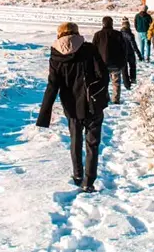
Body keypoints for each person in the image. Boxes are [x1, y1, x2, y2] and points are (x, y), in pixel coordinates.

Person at [37, 22, 109, 193]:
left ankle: (77, 174)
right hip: (92, 104)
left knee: (75, 140)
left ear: (59, 35)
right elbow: (103, 75)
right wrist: (96, 92)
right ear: (77, 33)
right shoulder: (90, 49)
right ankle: (88, 182)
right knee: (92, 143)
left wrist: (44, 113)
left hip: (71, 106)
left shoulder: (56, 55)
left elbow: (53, 85)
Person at [92, 17, 128, 104]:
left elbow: (93, 49)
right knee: (116, 82)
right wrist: (123, 61)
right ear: (112, 23)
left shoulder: (98, 35)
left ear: (103, 23)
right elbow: (124, 49)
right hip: (116, 63)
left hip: (102, 63)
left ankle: (105, 98)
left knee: (104, 82)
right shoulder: (118, 34)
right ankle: (116, 99)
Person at [119, 17, 142, 88]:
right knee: (132, 66)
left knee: (124, 69)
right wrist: (139, 54)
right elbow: (134, 45)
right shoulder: (130, 35)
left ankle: (126, 84)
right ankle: (133, 79)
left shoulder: (119, 34)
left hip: (122, 54)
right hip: (130, 53)